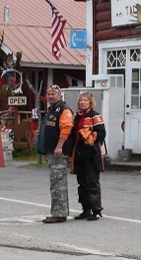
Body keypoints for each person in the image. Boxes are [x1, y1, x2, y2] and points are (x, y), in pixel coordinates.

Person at [66, 92, 106, 220]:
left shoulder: (95, 116)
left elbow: (101, 133)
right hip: (79, 153)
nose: (82, 102)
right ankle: (86, 209)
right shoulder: (76, 117)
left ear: (90, 103)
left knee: (92, 182)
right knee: (81, 183)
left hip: (91, 153)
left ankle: (96, 211)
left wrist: (89, 136)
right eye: (81, 100)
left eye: (85, 100)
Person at [37, 86, 74, 223]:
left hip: (59, 152)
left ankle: (59, 214)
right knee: (55, 183)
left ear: (59, 95)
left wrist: (59, 146)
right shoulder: (51, 110)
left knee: (58, 184)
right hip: (52, 153)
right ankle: (58, 212)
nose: (50, 96)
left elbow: (66, 129)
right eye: (48, 94)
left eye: (53, 94)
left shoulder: (63, 110)